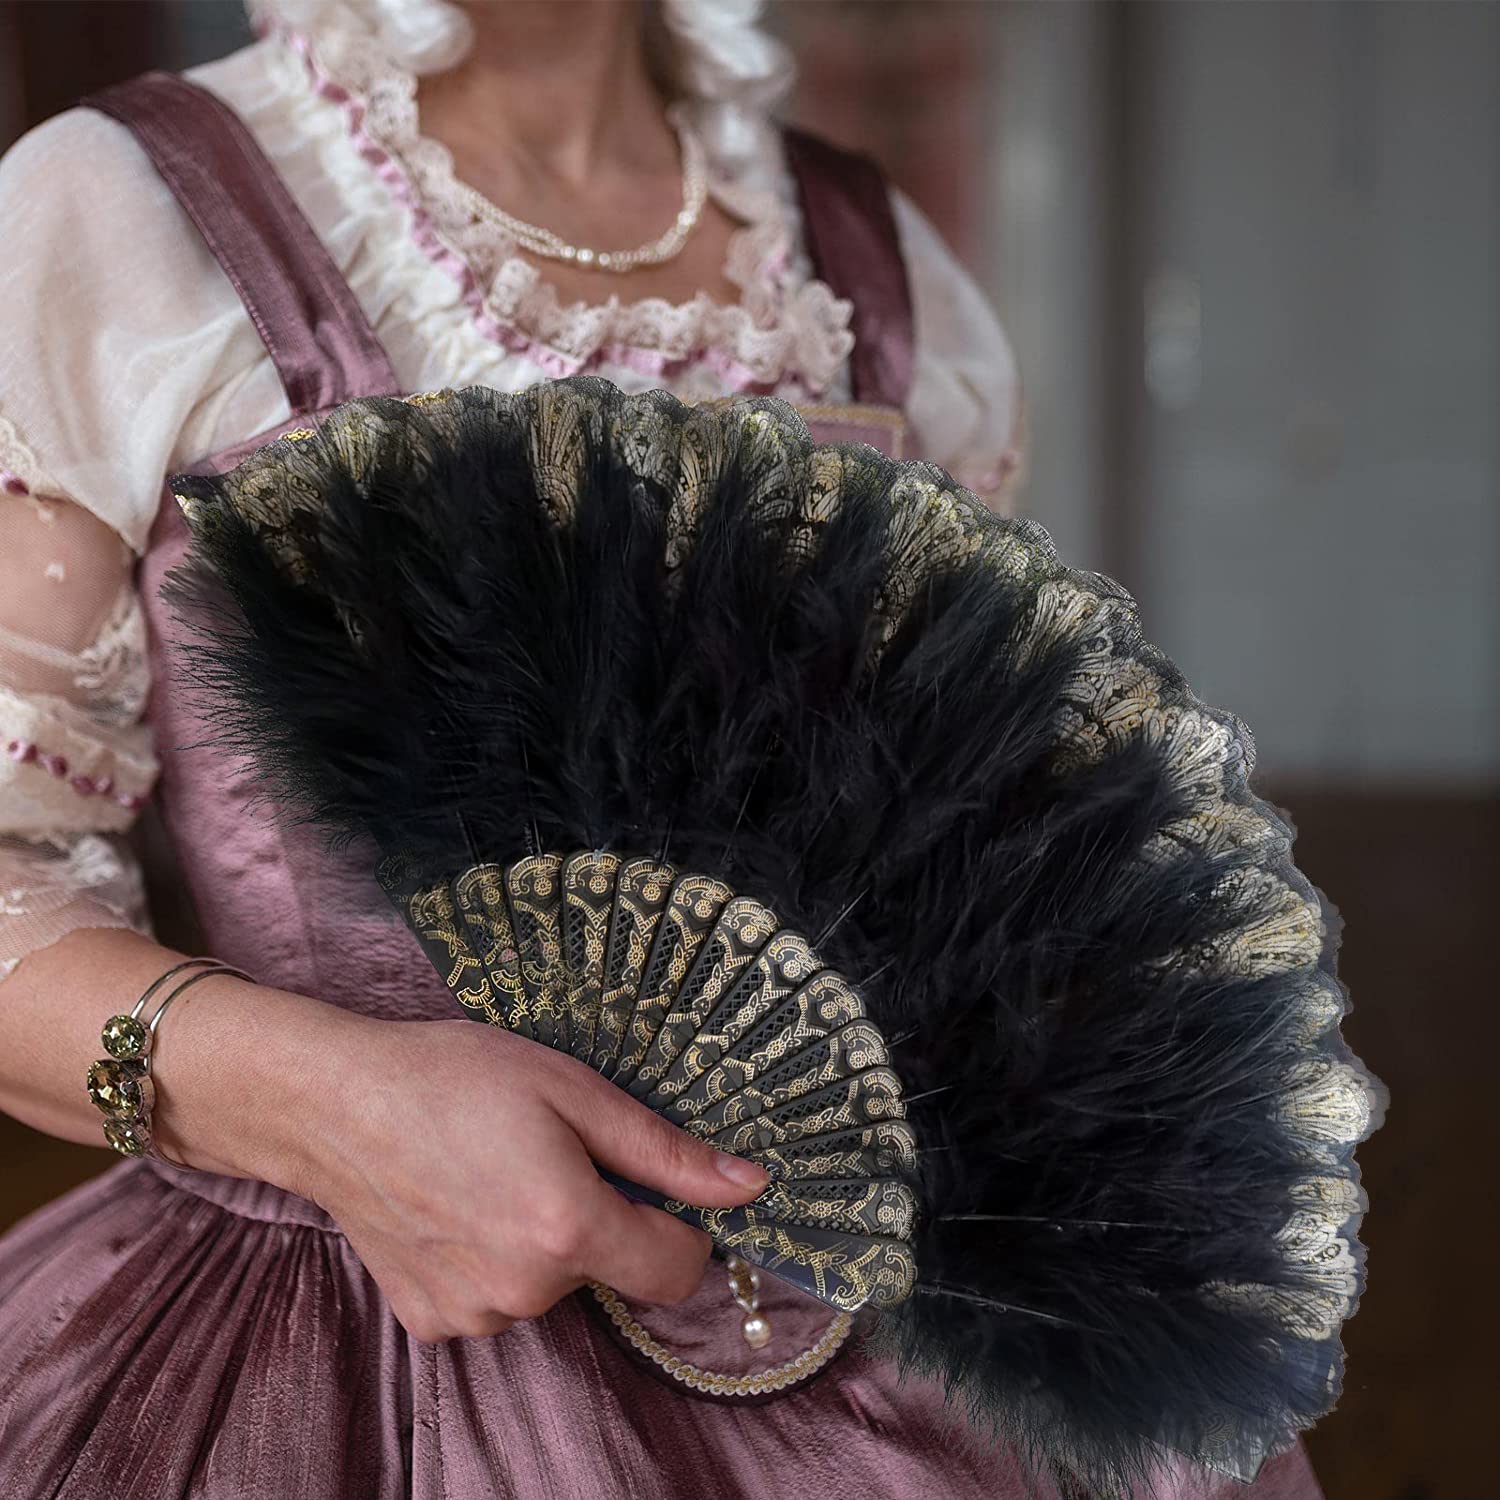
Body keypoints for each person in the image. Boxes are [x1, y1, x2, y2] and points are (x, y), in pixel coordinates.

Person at [0, 2, 1321, 1495]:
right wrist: (326, 1106)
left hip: (912, 1360)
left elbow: (972, 848)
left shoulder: (878, 271)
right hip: (352, 1359)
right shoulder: (122, 219)